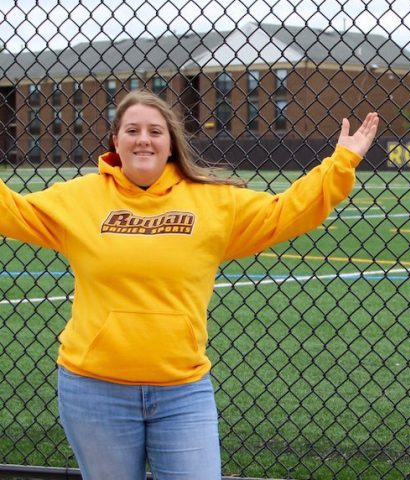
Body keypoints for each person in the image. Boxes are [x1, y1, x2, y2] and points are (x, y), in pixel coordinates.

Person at [0, 89, 378, 479]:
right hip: (95, 390)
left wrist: (341, 163)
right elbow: (10, 211)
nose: (143, 138)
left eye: (154, 131)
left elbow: (286, 213)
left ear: (170, 143)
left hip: (181, 391)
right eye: (132, 130)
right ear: (116, 141)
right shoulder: (76, 199)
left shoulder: (214, 203)